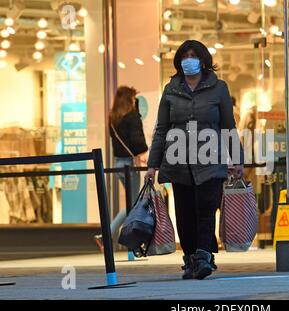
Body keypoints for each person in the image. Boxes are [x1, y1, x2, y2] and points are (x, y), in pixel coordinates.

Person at [146, 40, 244, 280]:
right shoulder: (171, 89)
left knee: (206, 209)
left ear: (203, 60)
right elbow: (161, 129)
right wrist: (152, 165)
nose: (188, 60)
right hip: (178, 160)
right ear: (179, 61)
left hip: (210, 160)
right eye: (184, 56)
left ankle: (203, 257)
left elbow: (228, 126)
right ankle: (189, 258)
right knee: (184, 212)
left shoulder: (218, 88)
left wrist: (238, 159)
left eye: (193, 55)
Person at [95, 86, 148, 251]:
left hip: (118, 163)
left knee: (132, 202)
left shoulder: (113, 118)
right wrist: (143, 152)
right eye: (133, 98)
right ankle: (108, 234)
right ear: (129, 99)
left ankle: (121, 239)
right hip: (129, 164)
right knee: (133, 203)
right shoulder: (132, 117)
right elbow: (137, 140)